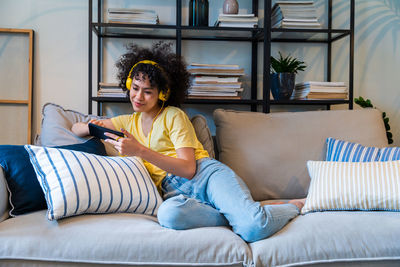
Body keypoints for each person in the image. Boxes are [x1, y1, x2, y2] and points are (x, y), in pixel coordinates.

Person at [71, 42, 305, 243]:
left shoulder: (174, 116)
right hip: (175, 195)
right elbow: (77, 127)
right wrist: (90, 126)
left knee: (253, 229)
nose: (138, 97)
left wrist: (139, 150)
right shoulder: (127, 122)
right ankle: (244, 212)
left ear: (162, 94)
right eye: (135, 88)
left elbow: (188, 168)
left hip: (206, 176)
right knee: (168, 216)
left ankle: (295, 206)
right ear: (129, 84)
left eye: (148, 92)